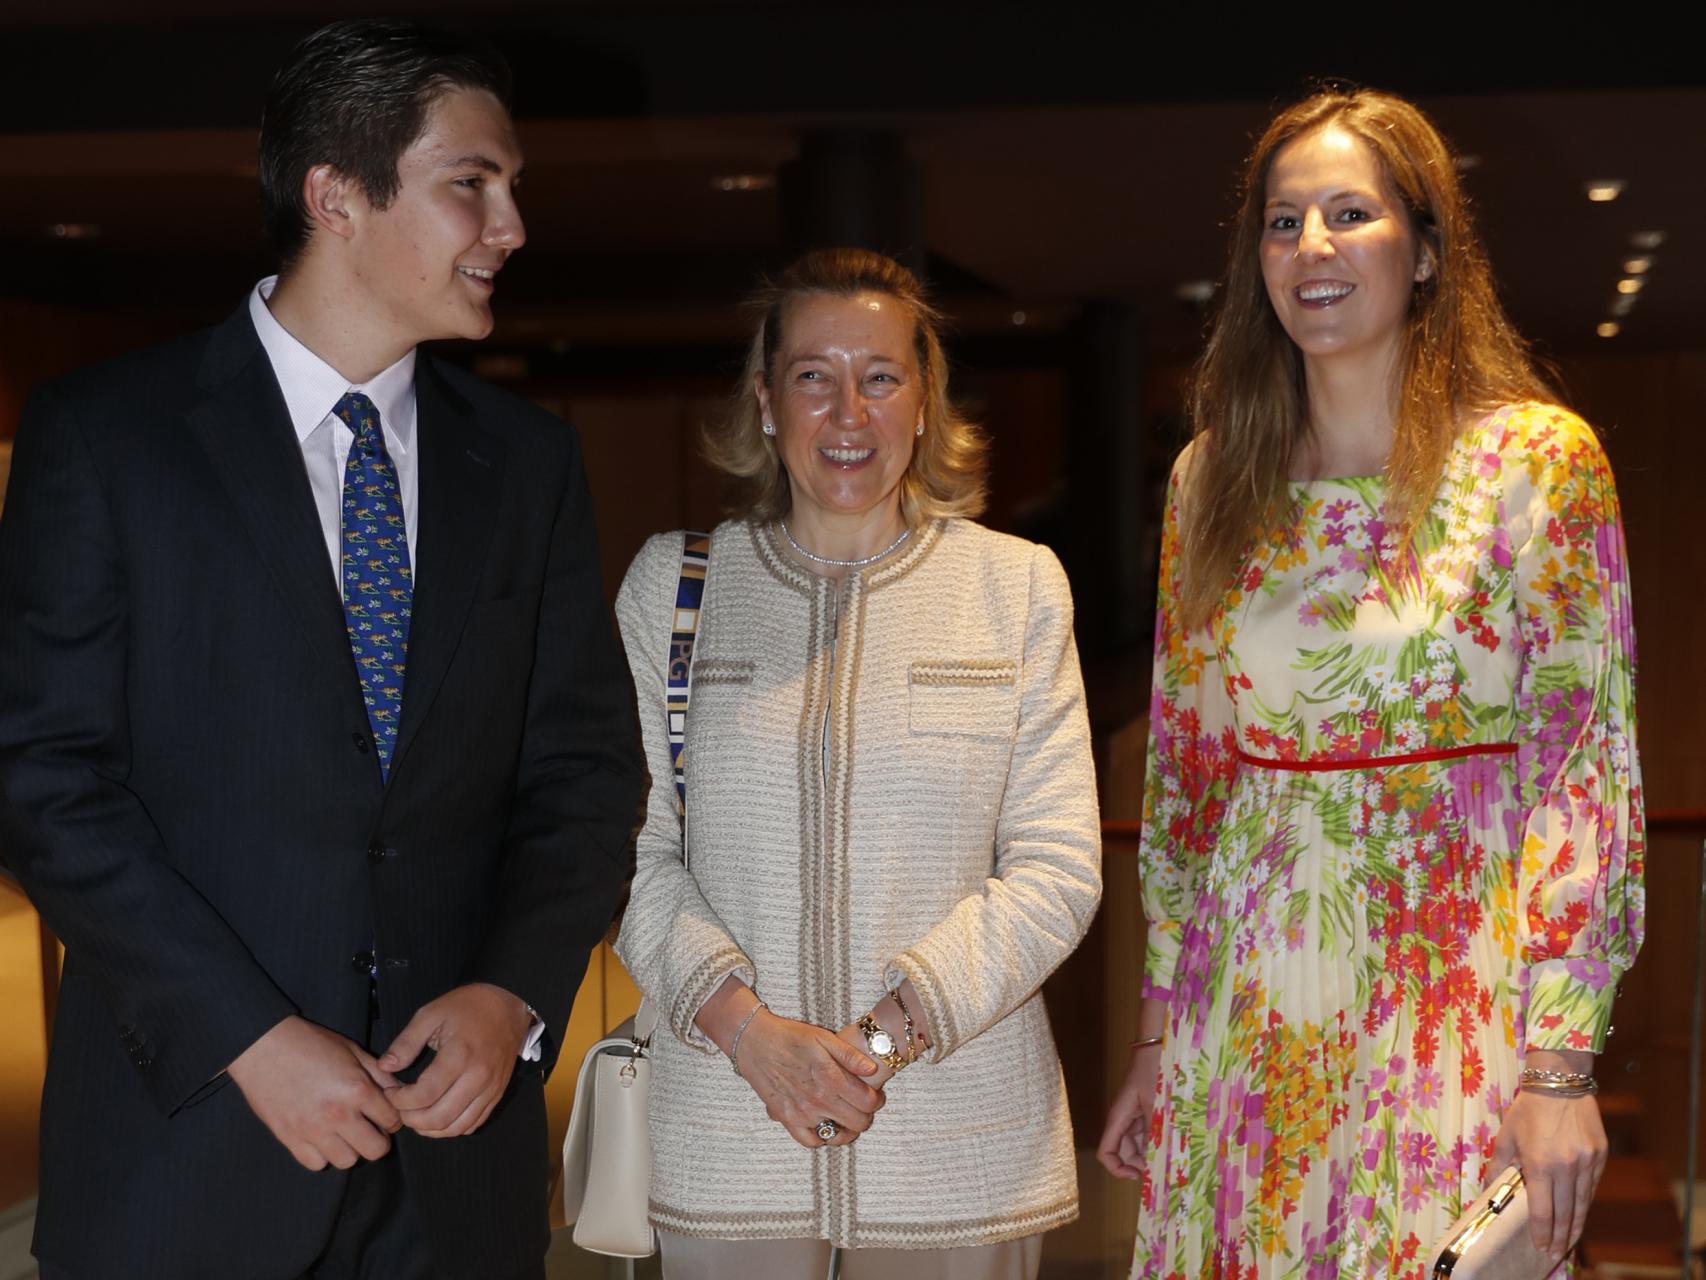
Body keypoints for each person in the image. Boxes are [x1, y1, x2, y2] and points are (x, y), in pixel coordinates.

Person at [0, 20, 643, 1280]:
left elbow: (580, 773)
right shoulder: (108, 438)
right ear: (336, 194)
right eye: (473, 183)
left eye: (511, 188)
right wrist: (250, 1036)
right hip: (185, 1149)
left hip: (453, 1176)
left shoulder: (526, 463)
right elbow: (45, 778)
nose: (509, 225)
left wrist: (512, 990)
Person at [1097, 88, 1643, 1278]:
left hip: (1451, 1003)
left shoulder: (1534, 463)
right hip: (1243, 1004)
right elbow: (1189, 783)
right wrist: (1153, 1034)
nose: (1312, 248)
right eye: (1282, 222)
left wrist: (1558, 1064)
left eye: (1349, 213)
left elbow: (1579, 779)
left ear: (1428, 249)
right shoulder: (1208, 479)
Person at [612, 247, 1102, 1279]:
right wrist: (751, 1034)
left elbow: (1056, 865)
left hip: (958, 1144)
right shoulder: (673, 589)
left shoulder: (1014, 589)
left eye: (879, 376)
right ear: (764, 398)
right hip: (727, 1129)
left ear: (923, 401)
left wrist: (879, 1040)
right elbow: (629, 849)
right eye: (812, 375)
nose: (848, 411)